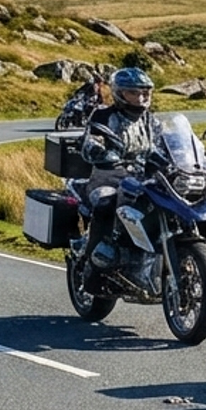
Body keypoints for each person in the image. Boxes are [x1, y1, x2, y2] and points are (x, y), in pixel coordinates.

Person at [73, 67, 160, 276]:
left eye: (145, 93)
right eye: (134, 93)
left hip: (142, 179)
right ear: (119, 93)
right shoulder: (103, 115)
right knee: (106, 201)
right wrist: (99, 151)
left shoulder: (151, 120)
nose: (141, 98)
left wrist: (198, 156)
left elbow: (164, 144)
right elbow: (90, 141)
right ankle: (92, 261)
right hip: (107, 175)